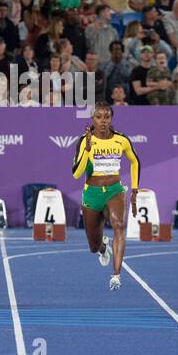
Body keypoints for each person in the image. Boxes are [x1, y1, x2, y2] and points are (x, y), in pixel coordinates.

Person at [69, 103, 141, 291]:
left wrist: (134, 190)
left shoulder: (121, 140)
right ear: (93, 119)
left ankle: (116, 275)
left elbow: (135, 161)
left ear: (111, 119)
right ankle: (102, 248)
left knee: (119, 226)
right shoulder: (85, 140)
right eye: (99, 117)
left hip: (114, 191)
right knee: (93, 246)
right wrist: (87, 149)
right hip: (92, 194)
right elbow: (76, 174)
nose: (103, 121)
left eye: (106, 117)